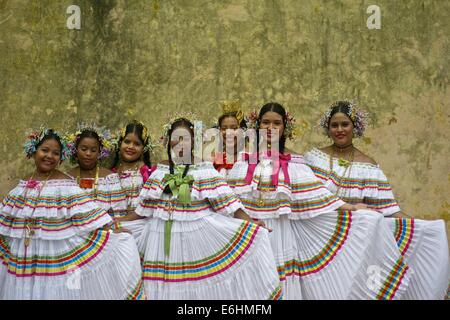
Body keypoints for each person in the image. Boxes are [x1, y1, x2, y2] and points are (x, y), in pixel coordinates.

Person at [226, 102, 412, 300]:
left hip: (281, 232)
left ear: (284, 128)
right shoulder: (241, 162)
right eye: (265, 122)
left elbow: (317, 193)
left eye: (277, 123)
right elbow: (230, 199)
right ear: (257, 126)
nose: (270, 128)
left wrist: (351, 207)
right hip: (250, 232)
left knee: (280, 285)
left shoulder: (295, 162)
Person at [124, 114, 282, 300]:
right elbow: (143, 209)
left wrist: (251, 223)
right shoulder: (160, 172)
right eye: (176, 139)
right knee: (164, 287)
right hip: (160, 242)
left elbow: (229, 203)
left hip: (195, 239)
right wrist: (119, 221)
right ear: (168, 141)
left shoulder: (204, 170)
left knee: (193, 287)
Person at [304, 100, 450, 299]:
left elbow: (389, 210)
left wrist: (425, 227)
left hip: (352, 246)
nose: (339, 129)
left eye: (345, 124)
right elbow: (305, 197)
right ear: (327, 128)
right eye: (334, 125)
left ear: (355, 127)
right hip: (316, 243)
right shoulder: (314, 158)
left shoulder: (369, 166)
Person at [0, 128, 144, 299]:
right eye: (44, 150)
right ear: (33, 151)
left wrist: (112, 228)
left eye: (55, 153)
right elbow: (7, 218)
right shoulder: (23, 184)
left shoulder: (65, 184)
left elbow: (86, 213)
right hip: (26, 255)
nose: (49, 156)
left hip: (54, 254)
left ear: (61, 158)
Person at [110, 120, 156, 240]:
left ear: (144, 148)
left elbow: (148, 207)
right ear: (120, 143)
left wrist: (123, 220)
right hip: (115, 228)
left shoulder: (147, 173)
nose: (131, 147)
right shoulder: (111, 174)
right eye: (127, 142)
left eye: (137, 144)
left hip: (141, 229)